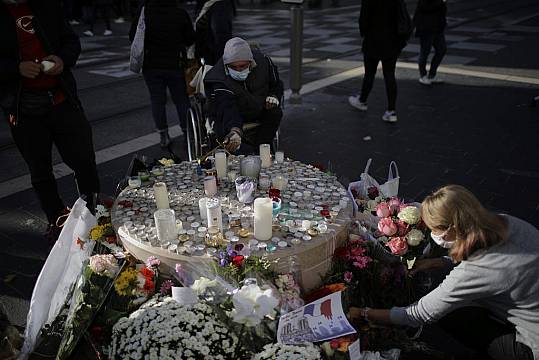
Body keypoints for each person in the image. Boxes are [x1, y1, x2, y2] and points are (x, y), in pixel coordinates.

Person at [350, 185, 539, 360]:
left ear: (453, 229)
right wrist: (435, 262)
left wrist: (365, 312)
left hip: (532, 345)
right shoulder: (504, 222)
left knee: (450, 315)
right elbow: (473, 250)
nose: (434, 236)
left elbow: (419, 314)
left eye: (434, 230)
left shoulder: (477, 270)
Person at [0, 0, 100, 240]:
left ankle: (94, 212)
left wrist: (62, 60)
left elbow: (71, 41)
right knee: (40, 170)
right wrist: (17, 68)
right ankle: (56, 218)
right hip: (24, 109)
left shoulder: (47, 5)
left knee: (84, 160)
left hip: (62, 100)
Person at [129, 0, 196, 147]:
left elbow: (133, 36)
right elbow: (190, 38)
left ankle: (163, 135)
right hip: (175, 64)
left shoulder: (145, 13)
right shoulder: (179, 13)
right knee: (181, 100)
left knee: (157, 101)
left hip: (151, 65)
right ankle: (187, 134)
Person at [204, 37, 283, 154]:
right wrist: (235, 130)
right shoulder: (218, 78)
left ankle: (262, 148)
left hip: (258, 107)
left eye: (242, 66)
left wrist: (273, 96)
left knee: (275, 112)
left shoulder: (264, 63)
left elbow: (276, 83)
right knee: (225, 134)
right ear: (226, 65)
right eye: (233, 67)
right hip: (231, 115)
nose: (238, 70)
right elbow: (227, 107)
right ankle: (249, 153)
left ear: (250, 62)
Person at [348, 0, 407, 123]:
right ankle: (391, 111)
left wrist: (364, 33)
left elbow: (363, 19)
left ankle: (362, 100)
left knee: (369, 73)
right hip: (391, 40)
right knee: (389, 74)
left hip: (373, 39)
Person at [413, 0, 447, 85]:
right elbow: (424, 7)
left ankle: (432, 74)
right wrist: (440, 2)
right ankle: (423, 75)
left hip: (438, 27)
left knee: (441, 49)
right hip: (426, 27)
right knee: (425, 51)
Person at [194, 0, 234, 66]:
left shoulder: (219, 7)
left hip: (213, 60)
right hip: (210, 57)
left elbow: (221, 37)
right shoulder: (210, 5)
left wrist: (219, 65)